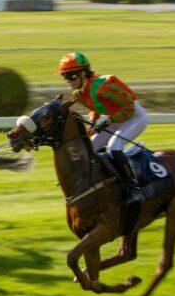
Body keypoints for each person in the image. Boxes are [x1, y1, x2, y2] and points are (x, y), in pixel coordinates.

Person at [57, 51, 146, 204]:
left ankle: (134, 189)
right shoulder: (79, 93)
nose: (68, 80)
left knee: (114, 145)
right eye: (65, 76)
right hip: (117, 118)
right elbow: (94, 107)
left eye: (71, 75)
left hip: (135, 117)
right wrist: (93, 120)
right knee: (90, 146)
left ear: (83, 74)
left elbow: (127, 108)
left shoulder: (103, 86)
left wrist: (105, 123)